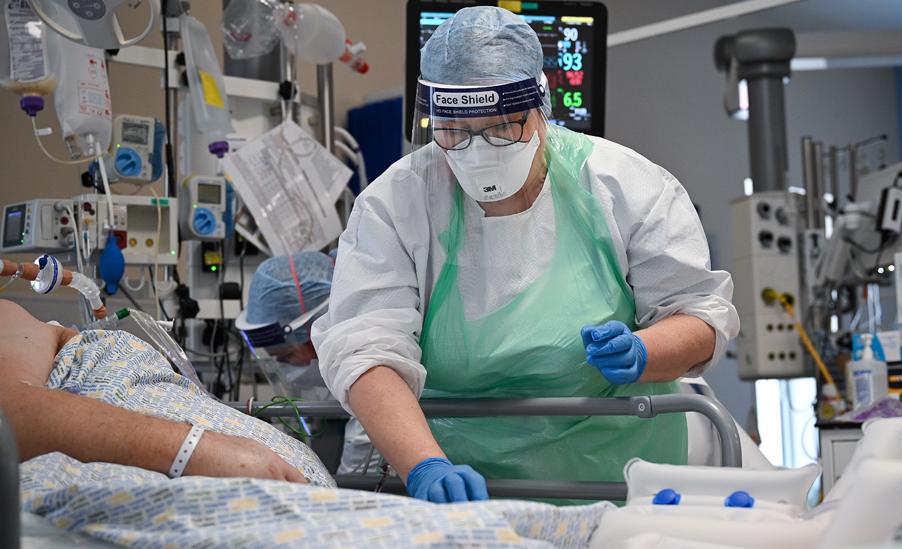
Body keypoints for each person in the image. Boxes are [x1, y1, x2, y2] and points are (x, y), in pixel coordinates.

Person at [312, 6, 738, 503]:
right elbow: (365, 350)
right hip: (464, 487)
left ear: (541, 106)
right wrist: (424, 466)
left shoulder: (624, 186)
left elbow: (700, 315)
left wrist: (646, 351)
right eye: (455, 131)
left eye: (502, 128)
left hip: (620, 477)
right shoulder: (396, 205)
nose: (478, 150)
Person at [0, 299, 329, 485]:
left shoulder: (19, 324)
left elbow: (13, 406)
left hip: (280, 481)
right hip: (222, 477)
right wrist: (193, 450)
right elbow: (9, 417)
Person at [235, 251, 377, 474]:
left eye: (288, 357)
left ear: (316, 332)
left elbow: (365, 440)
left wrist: (342, 494)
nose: (289, 371)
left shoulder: (370, 351)